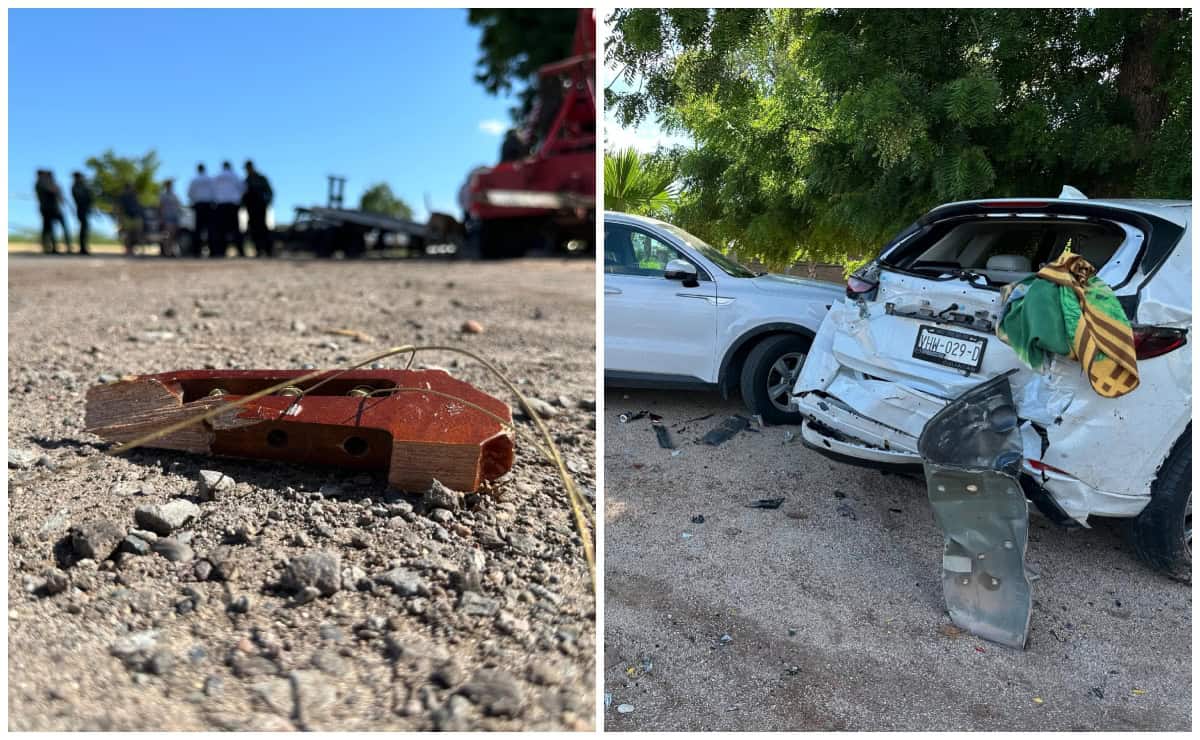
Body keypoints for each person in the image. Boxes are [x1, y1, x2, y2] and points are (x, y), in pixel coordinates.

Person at [211, 161, 245, 257]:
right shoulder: (235, 176)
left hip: (221, 205)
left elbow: (212, 189)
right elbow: (242, 188)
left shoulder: (217, 176)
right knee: (235, 228)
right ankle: (240, 250)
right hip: (232, 205)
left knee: (221, 229)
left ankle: (221, 251)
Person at [242, 160, 274, 257]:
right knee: (253, 228)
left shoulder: (261, 178)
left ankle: (268, 250)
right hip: (250, 207)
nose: (247, 170)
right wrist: (243, 204)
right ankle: (258, 249)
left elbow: (269, 191)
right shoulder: (246, 180)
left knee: (262, 227)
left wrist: (267, 202)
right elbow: (243, 194)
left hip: (260, 206)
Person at [35, 169, 71, 254]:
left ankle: (65, 246)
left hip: (55, 209)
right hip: (48, 209)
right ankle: (51, 247)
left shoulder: (50, 184)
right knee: (49, 229)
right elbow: (52, 191)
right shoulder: (41, 184)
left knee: (55, 228)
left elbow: (59, 196)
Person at [187, 163, 215, 257]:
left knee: (198, 229)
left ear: (198, 170)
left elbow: (190, 193)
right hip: (208, 205)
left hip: (198, 205)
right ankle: (212, 251)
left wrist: (193, 201)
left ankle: (196, 251)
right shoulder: (210, 179)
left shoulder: (194, 180)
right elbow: (214, 192)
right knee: (210, 229)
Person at [117, 183, 144, 256]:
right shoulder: (122, 196)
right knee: (128, 234)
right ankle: (128, 250)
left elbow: (139, 206)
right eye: (129, 188)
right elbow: (120, 208)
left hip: (136, 217)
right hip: (127, 217)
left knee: (137, 234)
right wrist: (120, 218)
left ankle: (138, 250)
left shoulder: (135, 196)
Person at [71, 172, 94, 255]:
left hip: (84, 209)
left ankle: (84, 247)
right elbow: (81, 198)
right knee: (83, 229)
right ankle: (82, 247)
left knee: (85, 228)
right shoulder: (76, 187)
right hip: (81, 209)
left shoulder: (81, 186)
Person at [159, 179, 183, 257]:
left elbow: (178, 206)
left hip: (174, 217)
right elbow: (161, 207)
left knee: (173, 235)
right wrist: (161, 217)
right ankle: (167, 251)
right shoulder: (163, 195)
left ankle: (172, 251)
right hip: (167, 217)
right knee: (167, 234)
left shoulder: (175, 195)